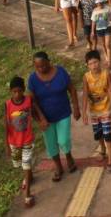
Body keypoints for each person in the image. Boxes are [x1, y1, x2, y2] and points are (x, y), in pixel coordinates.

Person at [28, 51, 80, 182]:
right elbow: (32, 101)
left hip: (63, 113)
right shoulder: (33, 79)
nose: (41, 69)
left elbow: (72, 89)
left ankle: (68, 156)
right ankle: (58, 166)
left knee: (63, 140)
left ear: (48, 62)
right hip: (45, 118)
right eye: (38, 67)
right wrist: (40, 119)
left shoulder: (61, 72)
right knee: (51, 144)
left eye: (43, 65)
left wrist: (76, 107)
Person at [81, 50, 111, 172]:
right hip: (93, 111)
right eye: (90, 63)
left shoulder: (106, 74)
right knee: (98, 133)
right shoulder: (86, 77)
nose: (94, 65)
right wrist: (84, 112)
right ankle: (102, 150)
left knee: (108, 133)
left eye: (95, 62)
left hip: (105, 109)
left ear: (100, 61)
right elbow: (85, 95)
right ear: (87, 65)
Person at [5, 76, 36, 207]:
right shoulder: (8, 105)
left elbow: (35, 110)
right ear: (11, 92)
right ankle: (29, 176)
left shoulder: (28, 100)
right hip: (14, 142)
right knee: (19, 165)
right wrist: (6, 144)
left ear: (23, 90)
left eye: (19, 91)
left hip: (27, 140)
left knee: (26, 165)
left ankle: (27, 195)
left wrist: (42, 120)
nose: (17, 94)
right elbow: (6, 124)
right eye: (14, 92)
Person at [90, 0, 111, 67]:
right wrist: (92, 31)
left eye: (101, 3)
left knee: (108, 45)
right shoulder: (94, 11)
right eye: (98, 3)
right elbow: (93, 21)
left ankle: (109, 62)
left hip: (107, 28)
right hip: (99, 29)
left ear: (103, 2)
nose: (100, 4)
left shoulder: (108, 8)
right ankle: (106, 56)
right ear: (96, 4)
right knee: (103, 44)